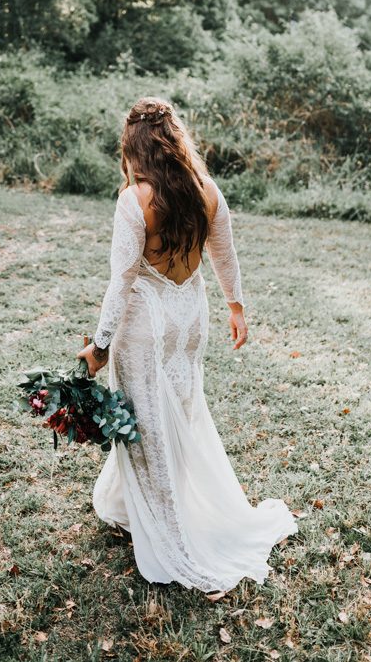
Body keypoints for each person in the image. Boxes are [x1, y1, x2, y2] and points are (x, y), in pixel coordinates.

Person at [76, 96, 298, 594]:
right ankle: (131, 504)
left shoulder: (135, 200)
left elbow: (122, 280)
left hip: (145, 319)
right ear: (176, 139)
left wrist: (100, 346)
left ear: (134, 147)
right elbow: (225, 254)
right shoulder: (207, 191)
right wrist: (235, 307)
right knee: (179, 408)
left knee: (147, 422)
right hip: (189, 314)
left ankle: (171, 533)